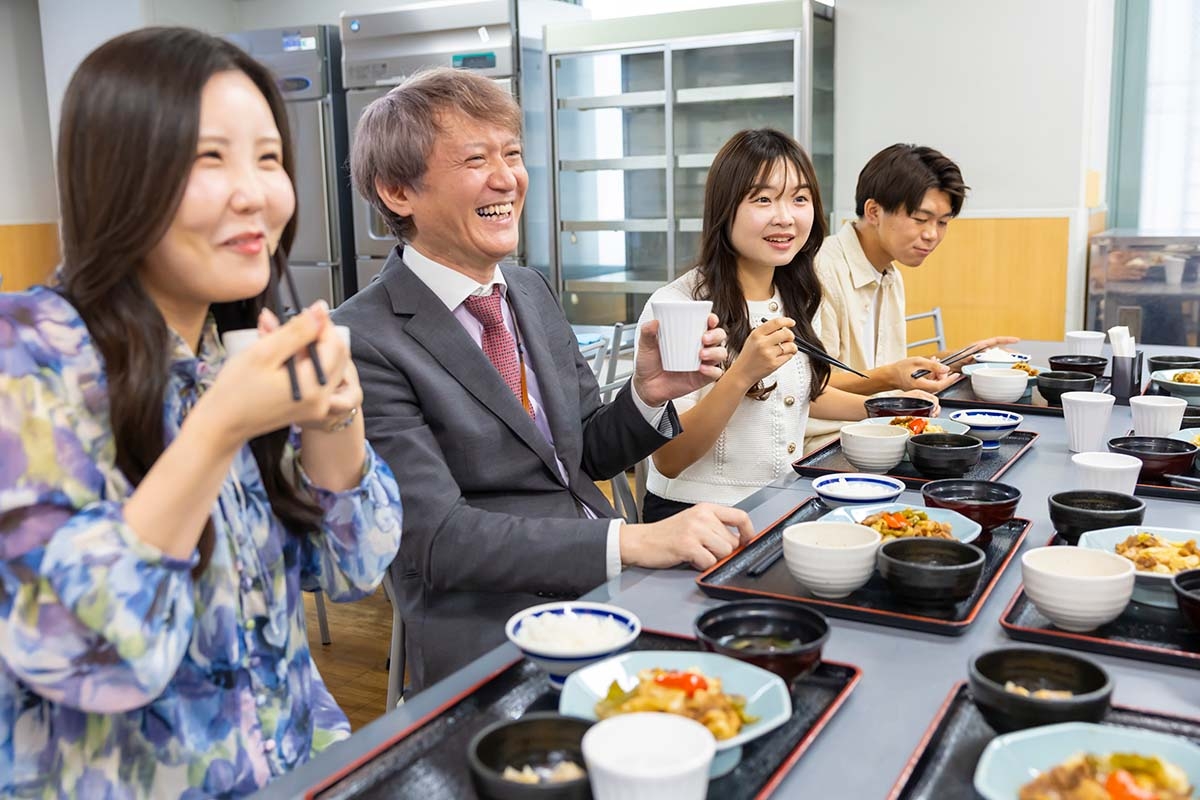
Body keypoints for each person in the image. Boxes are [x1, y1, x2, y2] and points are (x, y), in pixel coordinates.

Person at [0, 28, 403, 798]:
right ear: (119, 175)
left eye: (269, 158)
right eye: (208, 158)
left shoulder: (236, 348)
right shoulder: (26, 351)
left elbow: (353, 569)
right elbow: (85, 649)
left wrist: (333, 416)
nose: (255, 192)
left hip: (303, 766)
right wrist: (219, 425)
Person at [333, 67, 754, 693]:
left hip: (605, 584)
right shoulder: (362, 339)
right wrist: (632, 541)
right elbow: (440, 541)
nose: (507, 178)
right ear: (398, 190)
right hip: (494, 622)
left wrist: (646, 393)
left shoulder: (527, 290)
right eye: (475, 159)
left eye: (513, 154)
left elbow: (583, 451)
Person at [636, 129, 939, 521]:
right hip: (696, 515)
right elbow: (669, 459)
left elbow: (798, 396)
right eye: (763, 199)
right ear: (725, 209)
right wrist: (741, 374)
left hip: (782, 500)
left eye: (799, 198)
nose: (785, 217)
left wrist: (885, 410)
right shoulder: (678, 307)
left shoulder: (795, 292)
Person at [805, 144, 1017, 449]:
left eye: (942, 222)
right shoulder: (821, 269)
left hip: (883, 433)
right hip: (828, 444)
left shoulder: (890, 275)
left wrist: (957, 359)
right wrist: (894, 379)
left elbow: (886, 370)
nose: (933, 234)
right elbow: (808, 387)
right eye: (921, 219)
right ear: (874, 211)